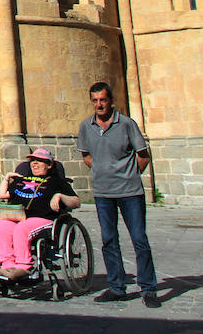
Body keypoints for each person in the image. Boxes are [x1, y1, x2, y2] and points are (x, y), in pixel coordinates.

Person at [76, 82, 159, 307]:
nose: (99, 104)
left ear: (111, 100)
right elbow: (86, 155)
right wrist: (103, 170)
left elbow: (143, 155)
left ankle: (149, 289)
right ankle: (116, 287)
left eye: (103, 100)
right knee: (109, 240)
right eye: (95, 101)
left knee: (139, 239)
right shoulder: (86, 126)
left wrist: (130, 175)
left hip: (130, 192)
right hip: (103, 193)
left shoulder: (126, 124)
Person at [0, 146, 81, 279]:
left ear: (49, 165)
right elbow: (2, 195)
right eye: (32, 160)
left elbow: (76, 202)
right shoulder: (21, 180)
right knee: (1, 227)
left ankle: (24, 266)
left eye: (39, 160)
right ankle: (7, 266)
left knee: (22, 229)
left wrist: (60, 196)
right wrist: (6, 179)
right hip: (18, 216)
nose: (34, 163)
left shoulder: (56, 182)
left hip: (43, 218)